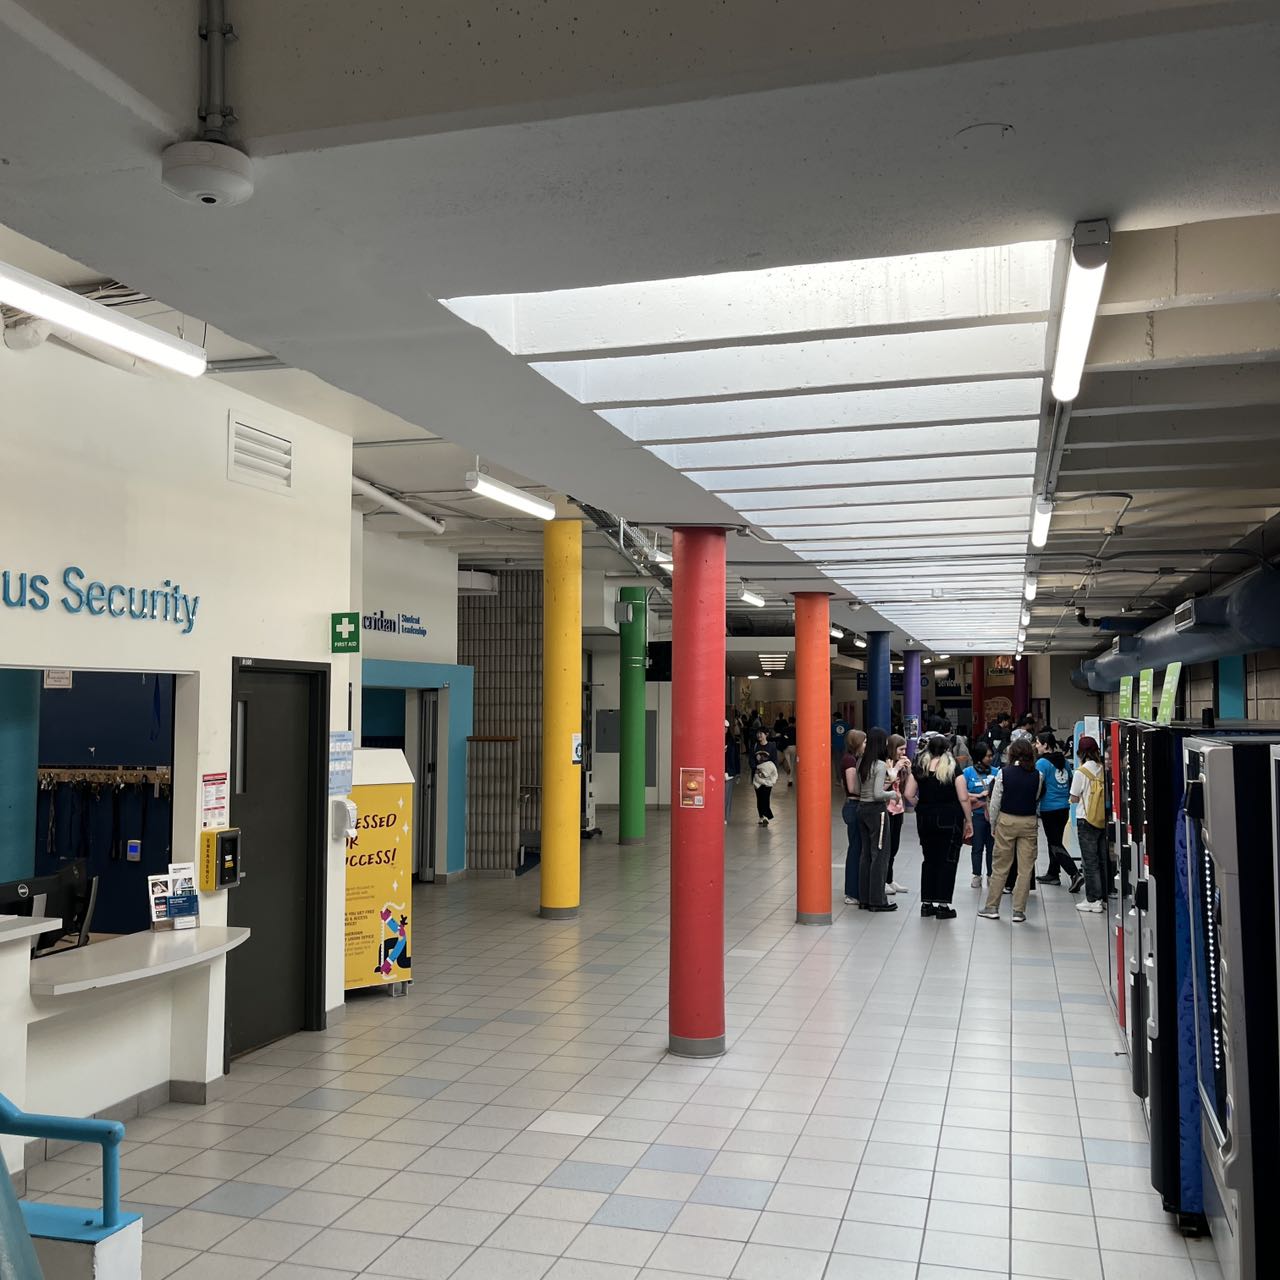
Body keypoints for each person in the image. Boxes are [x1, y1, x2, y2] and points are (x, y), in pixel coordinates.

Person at [903, 735, 973, 919]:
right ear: (947, 750)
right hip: (949, 819)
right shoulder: (952, 768)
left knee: (929, 859)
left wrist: (922, 805)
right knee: (947, 860)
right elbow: (964, 797)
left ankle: (927, 904)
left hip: (925, 819)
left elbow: (908, 794)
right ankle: (943, 904)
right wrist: (969, 820)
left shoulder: (920, 766)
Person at [979, 738, 1043, 923]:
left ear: (1012, 754)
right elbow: (1037, 796)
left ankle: (992, 907)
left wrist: (993, 824)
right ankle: (1018, 911)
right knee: (1025, 868)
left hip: (1006, 821)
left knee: (1000, 866)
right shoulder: (1037, 775)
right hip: (1029, 822)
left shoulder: (1003, 773)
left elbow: (995, 802)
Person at [1035, 731, 1083, 891]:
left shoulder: (1042, 763)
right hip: (1064, 806)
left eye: (1038, 743)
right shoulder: (1062, 760)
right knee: (1055, 840)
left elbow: (1038, 784)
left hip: (1049, 807)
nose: (1036, 746)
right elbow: (1070, 780)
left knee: (1055, 843)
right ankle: (1053, 873)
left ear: (1045, 745)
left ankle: (1074, 873)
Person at [857, 728, 897, 911]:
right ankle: (877, 900)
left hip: (861, 809)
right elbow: (878, 793)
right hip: (876, 812)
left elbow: (863, 789)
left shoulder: (861, 762)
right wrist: (893, 794)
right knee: (880, 855)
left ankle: (864, 898)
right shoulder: (880, 765)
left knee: (865, 855)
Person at [1070, 736, 1108, 912]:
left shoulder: (1081, 772)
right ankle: (1104, 896)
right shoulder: (1102, 769)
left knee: (1089, 861)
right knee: (1101, 858)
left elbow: (1074, 797)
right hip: (1102, 819)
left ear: (1081, 752)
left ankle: (1092, 899)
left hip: (1086, 819)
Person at [963, 740, 998, 886]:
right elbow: (962, 794)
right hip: (976, 815)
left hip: (992, 816)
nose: (990, 759)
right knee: (977, 847)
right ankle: (976, 874)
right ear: (979, 757)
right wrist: (977, 796)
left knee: (992, 847)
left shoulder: (997, 772)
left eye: (991, 756)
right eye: (987, 756)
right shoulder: (967, 773)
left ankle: (991, 874)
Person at [841, 729, 866, 905]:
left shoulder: (855, 760)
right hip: (854, 805)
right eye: (864, 742)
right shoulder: (849, 760)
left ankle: (856, 889)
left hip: (856, 805)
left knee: (858, 848)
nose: (866, 745)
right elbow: (852, 787)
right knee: (855, 849)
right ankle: (851, 891)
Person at [884, 734, 910, 894]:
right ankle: (883, 880)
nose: (903, 752)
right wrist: (897, 769)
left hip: (899, 808)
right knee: (886, 847)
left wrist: (908, 770)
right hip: (887, 809)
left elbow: (906, 787)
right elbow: (883, 786)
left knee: (894, 846)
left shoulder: (902, 764)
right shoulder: (885, 764)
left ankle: (890, 879)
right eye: (900, 749)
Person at [752, 729, 779, 826]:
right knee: (759, 797)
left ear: (766, 734)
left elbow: (774, 761)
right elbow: (751, 759)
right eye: (757, 733)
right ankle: (761, 816)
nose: (759, 735)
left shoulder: (771, 746)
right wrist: (756, 769)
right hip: (757, 776)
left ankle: (766, 817)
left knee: (766, 796)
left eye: (761, 733)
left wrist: (769, 773)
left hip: (767, 777)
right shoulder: (755, 746)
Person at [724, 720, 741, 824]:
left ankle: (725, 817)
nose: (724, 730)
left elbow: (736, 758)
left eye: (726, 728)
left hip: (729, 772)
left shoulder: (731, 741)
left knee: (727, 796)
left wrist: (737, 772)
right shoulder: (714, 740)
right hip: (717, 772)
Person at [784, 716, 798, 784]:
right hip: (794, 747)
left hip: (786, 748)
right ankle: (790, 779)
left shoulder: (785, 729)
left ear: (788, 721)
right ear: (794, 722)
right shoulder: (796, 730)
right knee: (792, 763)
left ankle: (788, 775)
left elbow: (782, 738)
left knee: (788, 762)